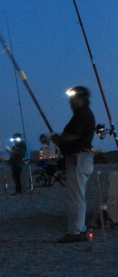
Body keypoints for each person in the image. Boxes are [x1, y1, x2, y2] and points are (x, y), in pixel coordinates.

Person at [51, 86, 95, 243]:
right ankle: (79, 229)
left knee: (76, 196)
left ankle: (76, 231)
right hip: (80, 158)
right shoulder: (81, 114)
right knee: (77, 195)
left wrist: (59, 139)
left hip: (79, 158)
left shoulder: (83, 114)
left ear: (82, 99)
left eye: (74, 98)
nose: (71, 102)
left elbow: (73, 136)